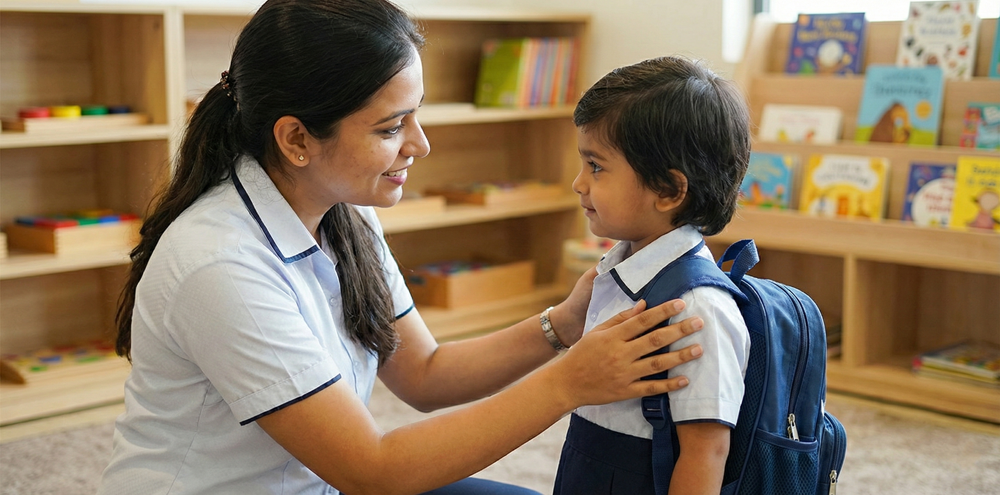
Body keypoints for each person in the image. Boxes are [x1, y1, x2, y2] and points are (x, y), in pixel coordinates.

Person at [96, 2, 709, 494]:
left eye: (415, 117)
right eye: (391, 128)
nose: (420, 144)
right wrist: (566, 384)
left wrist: (563, 324)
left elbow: (423, 374)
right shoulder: (219, 263)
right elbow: (373, 472)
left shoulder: (346, 215)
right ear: (296, 139)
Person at [552, 56, 752, 495]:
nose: (578, 183)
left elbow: (706, 452)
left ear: (668, 190)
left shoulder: (698, 307)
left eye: (596, 166)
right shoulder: (617, 272)